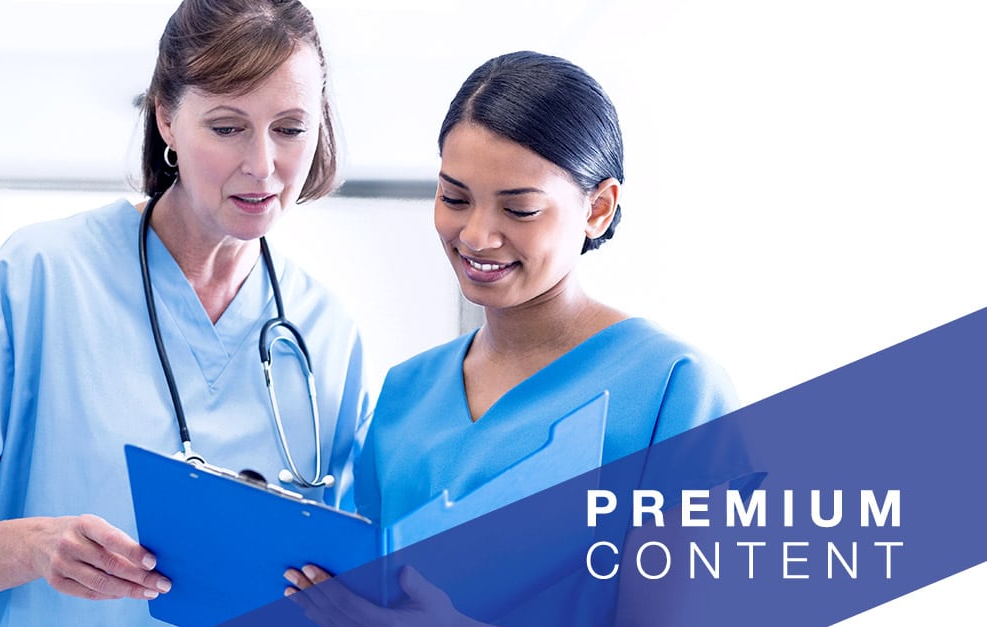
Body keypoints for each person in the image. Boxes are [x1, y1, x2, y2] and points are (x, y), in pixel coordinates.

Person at [0, 1, 370, 625]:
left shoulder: (326, 334)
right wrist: (35, 547)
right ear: (166, 118)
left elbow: (351, 586)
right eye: (227, 128)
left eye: (291, 129)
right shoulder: (41, 277)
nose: (262, 164)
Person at [284, 50, 740, 625]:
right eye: (454, 198)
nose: (476, 236)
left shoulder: (676, 392)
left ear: (598, 209)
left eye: (520, 210)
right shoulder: (406, 393)